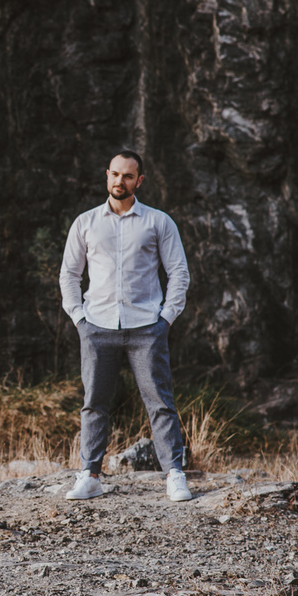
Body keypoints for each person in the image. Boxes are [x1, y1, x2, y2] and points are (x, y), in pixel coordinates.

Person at [59, 150, 192, 503]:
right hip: (97, 326)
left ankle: (174, 475)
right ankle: (90, 476)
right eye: (115, 174)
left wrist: (166, 318)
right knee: (94, 403)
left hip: (147, 327)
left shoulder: (158, 222)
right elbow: (69, 274)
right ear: (107, 175)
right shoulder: (85, 222)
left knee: (160, 403)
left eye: (128, 176)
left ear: (140, 181)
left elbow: (178, 272)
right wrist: (79, 318)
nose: (120, 181)